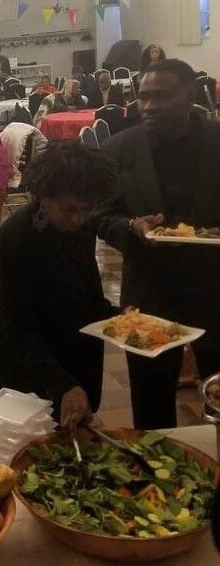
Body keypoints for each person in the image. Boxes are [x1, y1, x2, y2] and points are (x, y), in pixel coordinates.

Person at [99, 59, 220, 429]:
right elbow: (100, 216)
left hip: (215, 289)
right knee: (150, 403)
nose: (148, 106)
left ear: (188, 95)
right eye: (143, 97)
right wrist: (129, 225)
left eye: (161, 96)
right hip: (150, 291)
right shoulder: (118, 149)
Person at [0, 142, 119, 428]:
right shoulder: (17, 236)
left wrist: (121, 318)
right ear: (43, 195)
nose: (78, 219)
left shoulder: (80, 226)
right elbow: (14, 324)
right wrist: (62, 384)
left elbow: (85, 293)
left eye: (86, 210)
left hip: (75, 358)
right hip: (25, 372)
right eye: (69, 209)